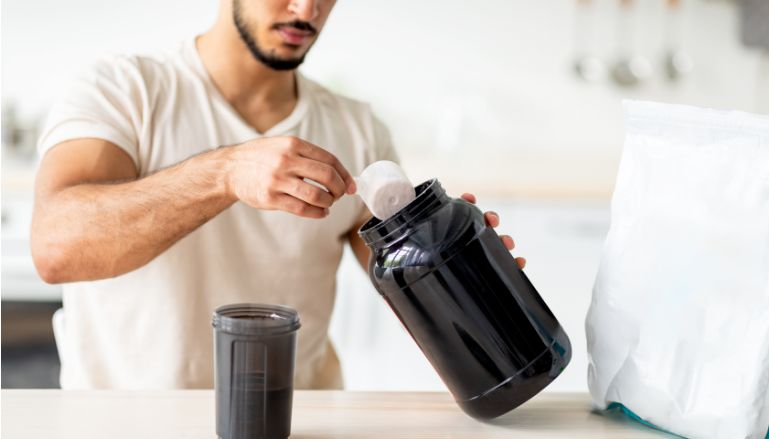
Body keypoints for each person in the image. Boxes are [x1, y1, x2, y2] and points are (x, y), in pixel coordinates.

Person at [31, 0, 524, 389]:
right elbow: (55, 247)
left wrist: (463, 274)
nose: (307, 9)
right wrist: (224, 173)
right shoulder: (124, 90)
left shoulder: (357, 130)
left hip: (294, 420)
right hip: (132, 421)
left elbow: (411, 278)